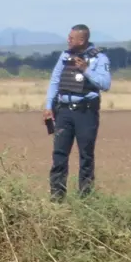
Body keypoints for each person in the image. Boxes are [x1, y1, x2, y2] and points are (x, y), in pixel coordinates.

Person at [44, 24, 111, 200]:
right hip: (64, 111)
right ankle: (57, 197)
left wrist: (86, 71)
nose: (68, 40)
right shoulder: (65, 56)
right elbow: (55, 81)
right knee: (59, 155)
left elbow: (105, 84)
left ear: (82, 40)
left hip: (86, 113)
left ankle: (85, 198)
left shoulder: (99, 59)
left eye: (71, 38)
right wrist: (48, 106)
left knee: (86, 156)